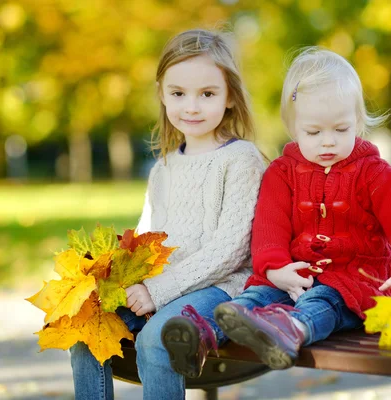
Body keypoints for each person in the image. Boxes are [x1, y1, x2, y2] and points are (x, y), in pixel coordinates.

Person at [209, 46, 391, 369]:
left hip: (354, 281)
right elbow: (269, 227)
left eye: (340, 130)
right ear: (293, 128)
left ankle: (292, 329)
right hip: (294, 274)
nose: (327, 141)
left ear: (357, 122)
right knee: (258, 296)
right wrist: (275, 269)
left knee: (323, 301)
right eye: (313, 132)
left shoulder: (374, 173)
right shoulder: (282, 173)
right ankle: (212, 329)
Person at [69, 29, 266, 400]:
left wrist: (158, 291)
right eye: (178, 94)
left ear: (229, 98)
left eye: (207, 94)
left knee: (157, 340)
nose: (191, 107)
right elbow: (147, 235)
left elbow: (231, 250)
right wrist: (113, 277)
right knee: (85, 329)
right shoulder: (164, 168)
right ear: (162, 93)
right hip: (158, 287)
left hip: (220, 287)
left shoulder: (241, 161)